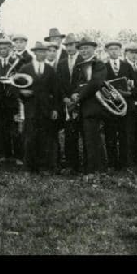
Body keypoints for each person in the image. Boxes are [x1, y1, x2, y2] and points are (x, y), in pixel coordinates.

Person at [69, 37, 108, 176]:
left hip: (94, 106)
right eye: (81, 49)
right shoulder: (79, 65)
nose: (83, 51)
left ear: (93, 49)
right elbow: (76, 84)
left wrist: (79, 95)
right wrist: (74, 93)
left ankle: (95, 170)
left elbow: (95, 83)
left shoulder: (99, 64)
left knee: (92, 138)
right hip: (82, 107)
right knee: (87, 138)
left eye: (86, 48)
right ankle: (91, 168)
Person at [18, 42, 58, 174]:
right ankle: (28, 167)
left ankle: (43, 167)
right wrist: (22, 92)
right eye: (39, 51)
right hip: (30, 108)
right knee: (30, 137)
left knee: (45, 137)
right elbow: (15, 85)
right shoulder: (25, 68)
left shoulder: (50, 69)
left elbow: (56, 90)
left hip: (46, 108)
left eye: (44, 52)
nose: (42, 54)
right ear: (34, 53)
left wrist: (54, 109)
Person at [104, 41, 136, 170]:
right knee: (110, 134)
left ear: (120, 51)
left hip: (125, 105)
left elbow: (134, 84)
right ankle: (112, 162)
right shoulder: (103, 66)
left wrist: (129, 89)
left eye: (116, 49)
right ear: (107, 51)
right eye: (111, 49)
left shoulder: (127, 66)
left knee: (125, 134)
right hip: (110, 105)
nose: (114, 51)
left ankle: (125, 162)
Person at [0, 37, 22, 164]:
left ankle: (18, 155)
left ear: (10, 49)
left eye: (5, 48)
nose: (3, 51)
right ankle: (3, 154)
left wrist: (14, 91)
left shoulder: (16, 63)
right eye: (0, 49)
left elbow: (20, 81)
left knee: (14, 129)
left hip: (12, 101)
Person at [57, 34, 84, 173]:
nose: (69, 48)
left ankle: (87, 164)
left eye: (71, 45)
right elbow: (59, 83)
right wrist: (64, 98)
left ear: (77, 46)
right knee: (70, 134)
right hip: (67, 103)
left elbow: (85, 81)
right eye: (67, 45)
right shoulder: (61, 63)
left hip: (82, 101)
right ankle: (71, 165)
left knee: (85, 133)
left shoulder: (83, 60)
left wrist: (77, 95)